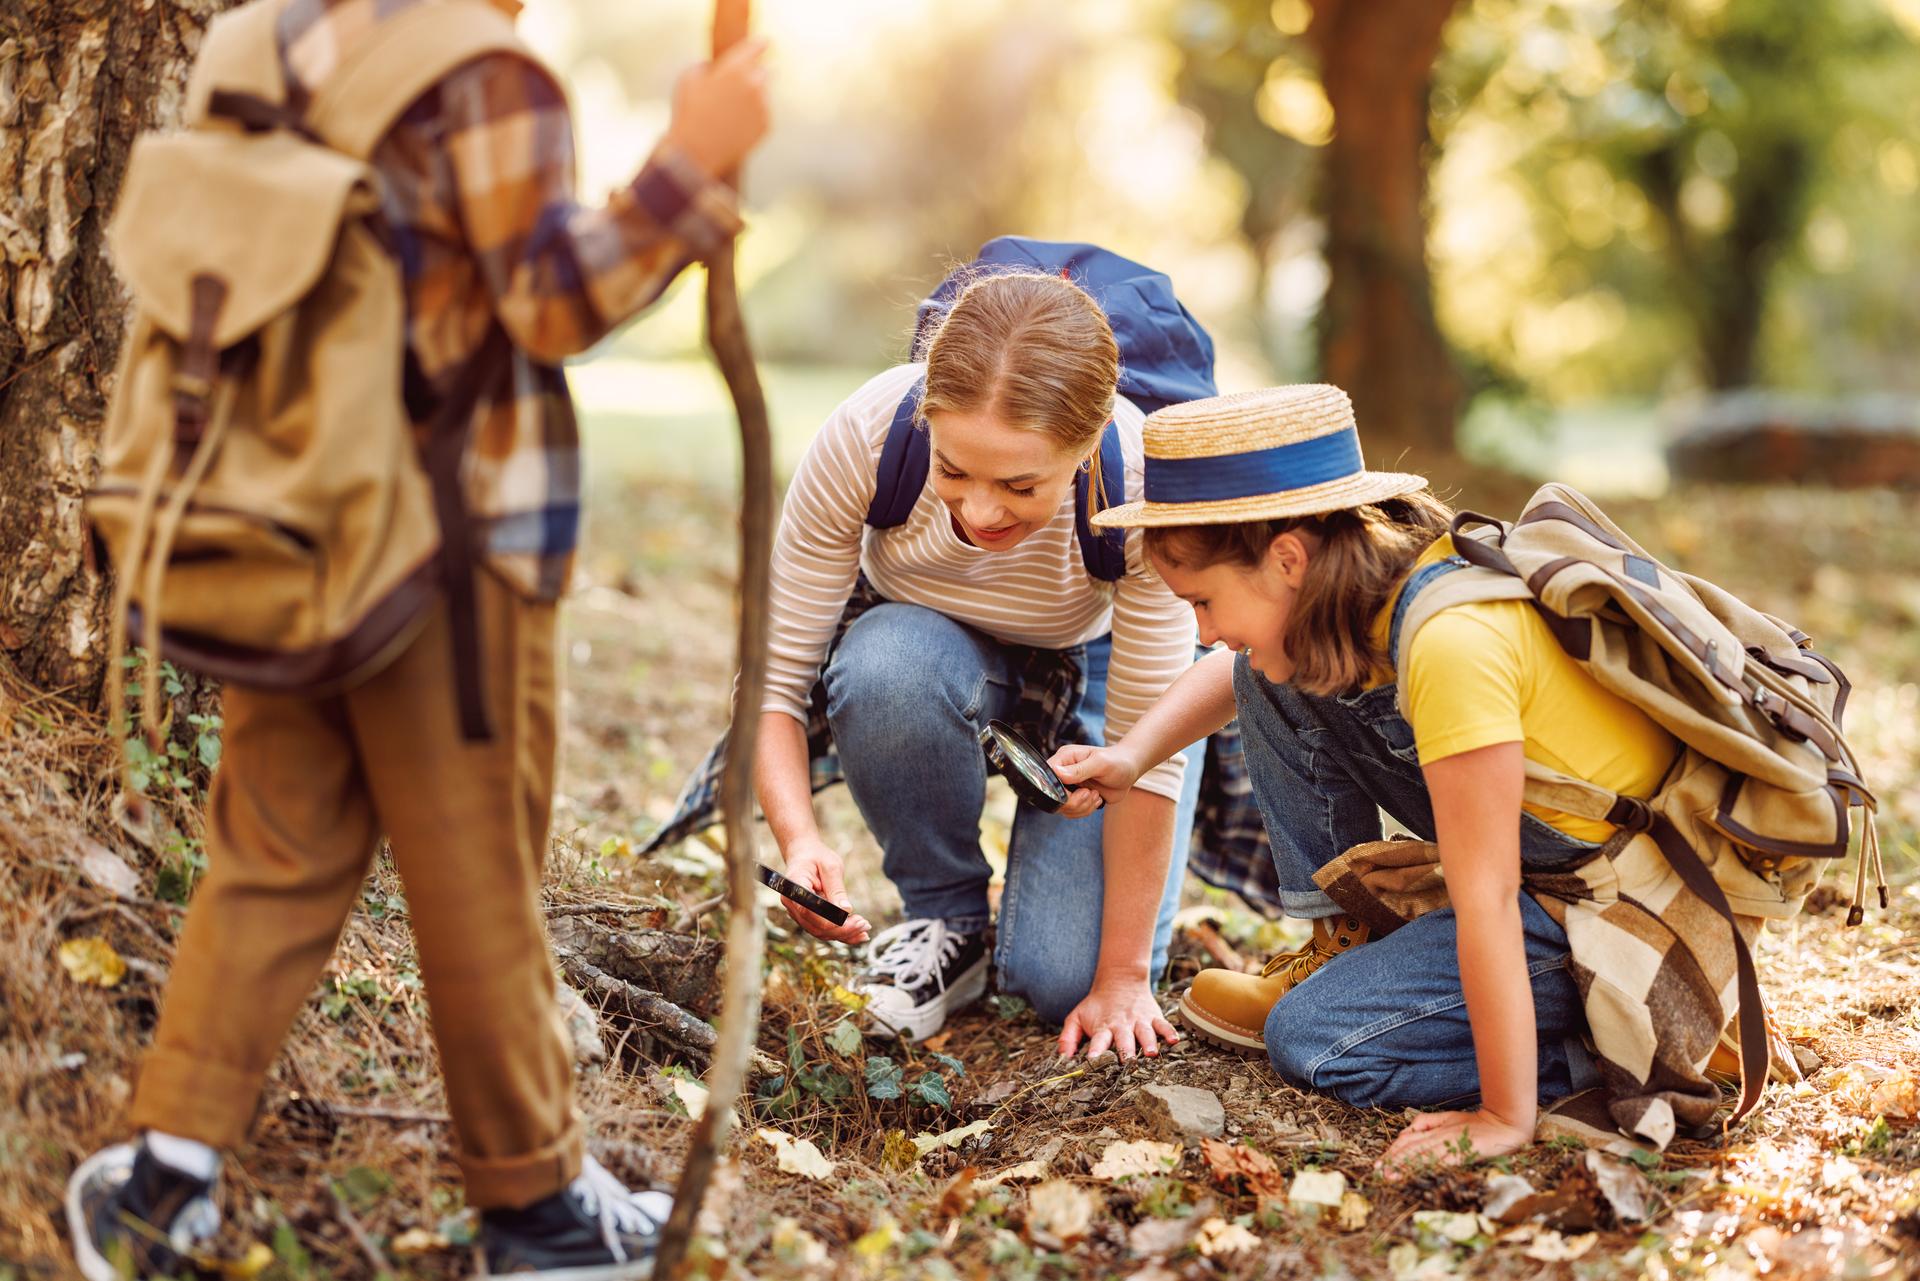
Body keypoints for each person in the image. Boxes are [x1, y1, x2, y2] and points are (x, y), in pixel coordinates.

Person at [64, 1, 768, 1277]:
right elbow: (552, 302)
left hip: (279, 526)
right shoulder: (487, 75)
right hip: (445, 555)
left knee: (270, 854)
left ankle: (163, 1172)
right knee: (481, 878)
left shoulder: (255, 41)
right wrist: (692, 159)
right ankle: (535, 1206)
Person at [1051, 384, 1683, 1168]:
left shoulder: (1453, 643)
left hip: (1611, 914)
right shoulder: (1374, 586)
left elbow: (1485, 894)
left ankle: (1625, 1044)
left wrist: (1502, 1113)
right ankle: (1342, 943)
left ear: (1288, 556)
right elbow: (1237, 662)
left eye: (1205, 602)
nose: (1205, 631)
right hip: (1540, 867)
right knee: (1263, 670)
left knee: (1314, 1042)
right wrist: (1132, 756)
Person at [745, 268, 1207, 1056]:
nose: (983, 511)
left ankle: (1052, 934)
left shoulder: (1141, 484)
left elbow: (1153, 759)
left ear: (1088, 444)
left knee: (1063, 979)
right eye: (954, 470)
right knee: (887, 662)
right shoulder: (867, 436)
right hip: (917, 651)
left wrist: (1124, 975)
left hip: (1087, 664)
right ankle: (945, 914)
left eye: (1020, 484)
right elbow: (772, 685)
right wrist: (801, 840)